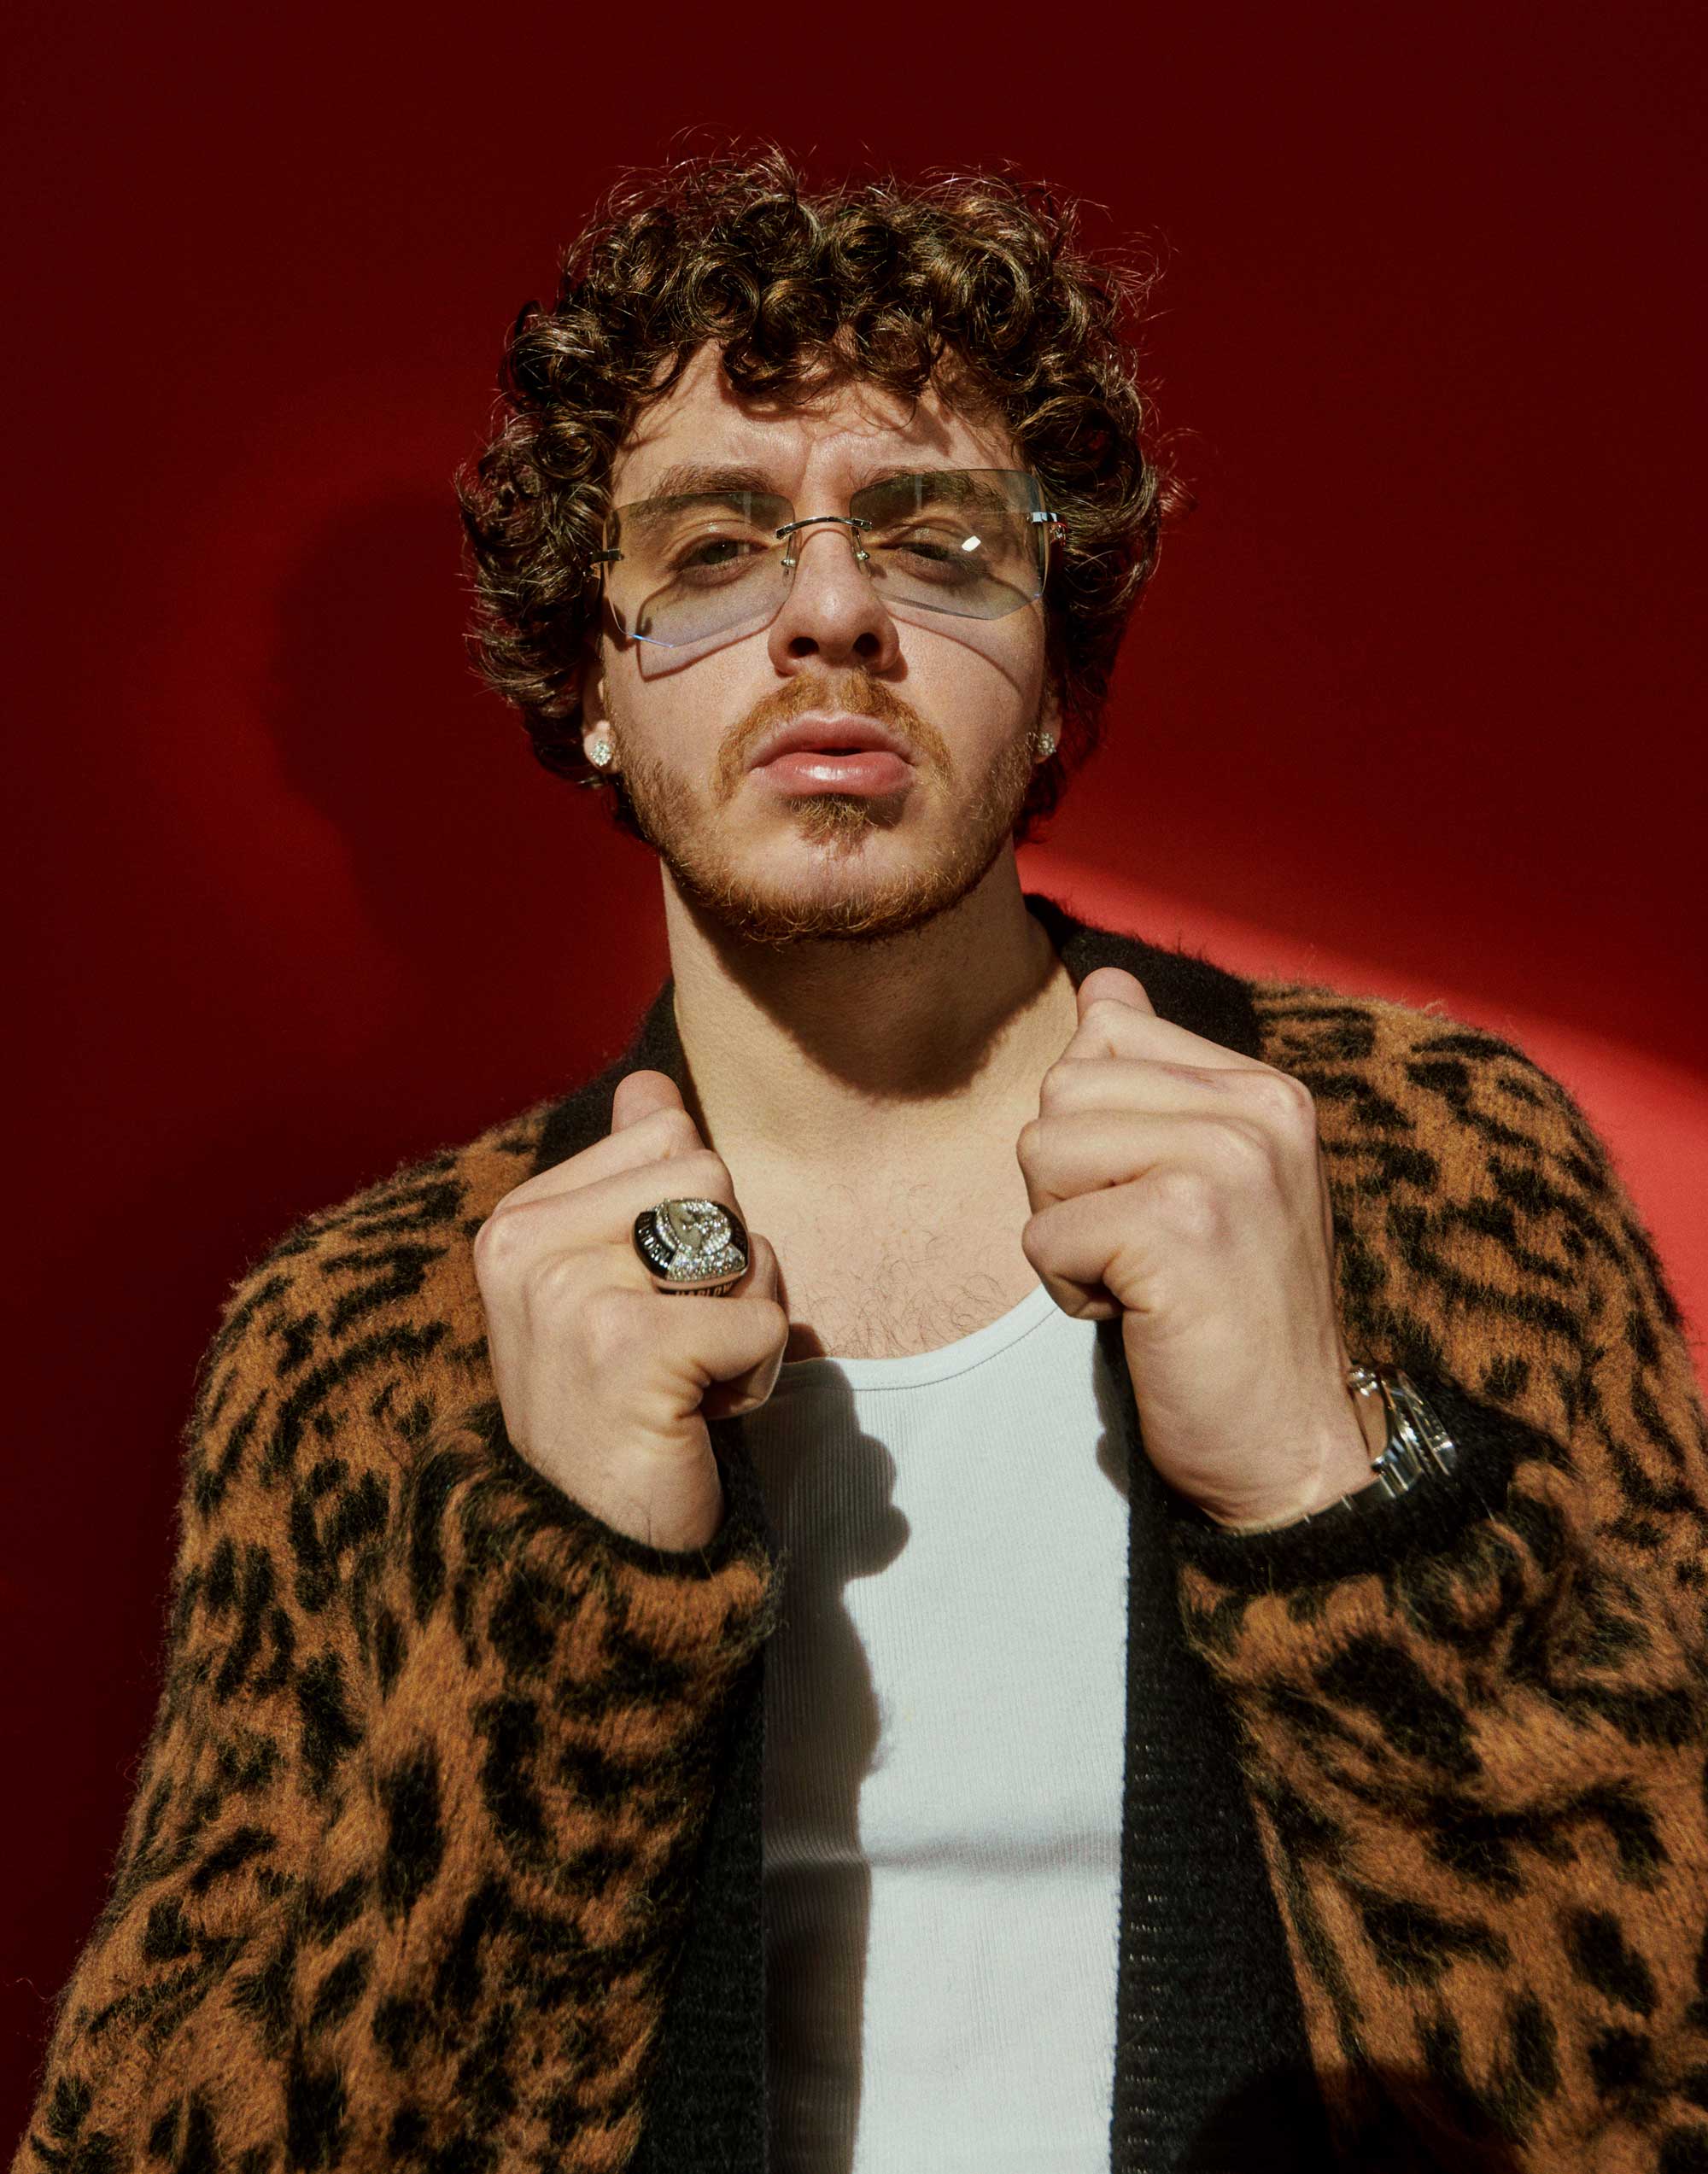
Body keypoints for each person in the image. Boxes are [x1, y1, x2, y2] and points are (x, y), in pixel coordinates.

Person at [13, 150, 1708, 2174]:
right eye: (713, 546)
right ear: (589, 682)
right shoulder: (359, 1339)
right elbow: (184, 2136)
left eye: (940, 543)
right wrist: (569, 1608)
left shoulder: (1429, 1160)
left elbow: (1654, 2049)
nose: (830, 613)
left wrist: (1331, 1496)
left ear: (1056, 672)